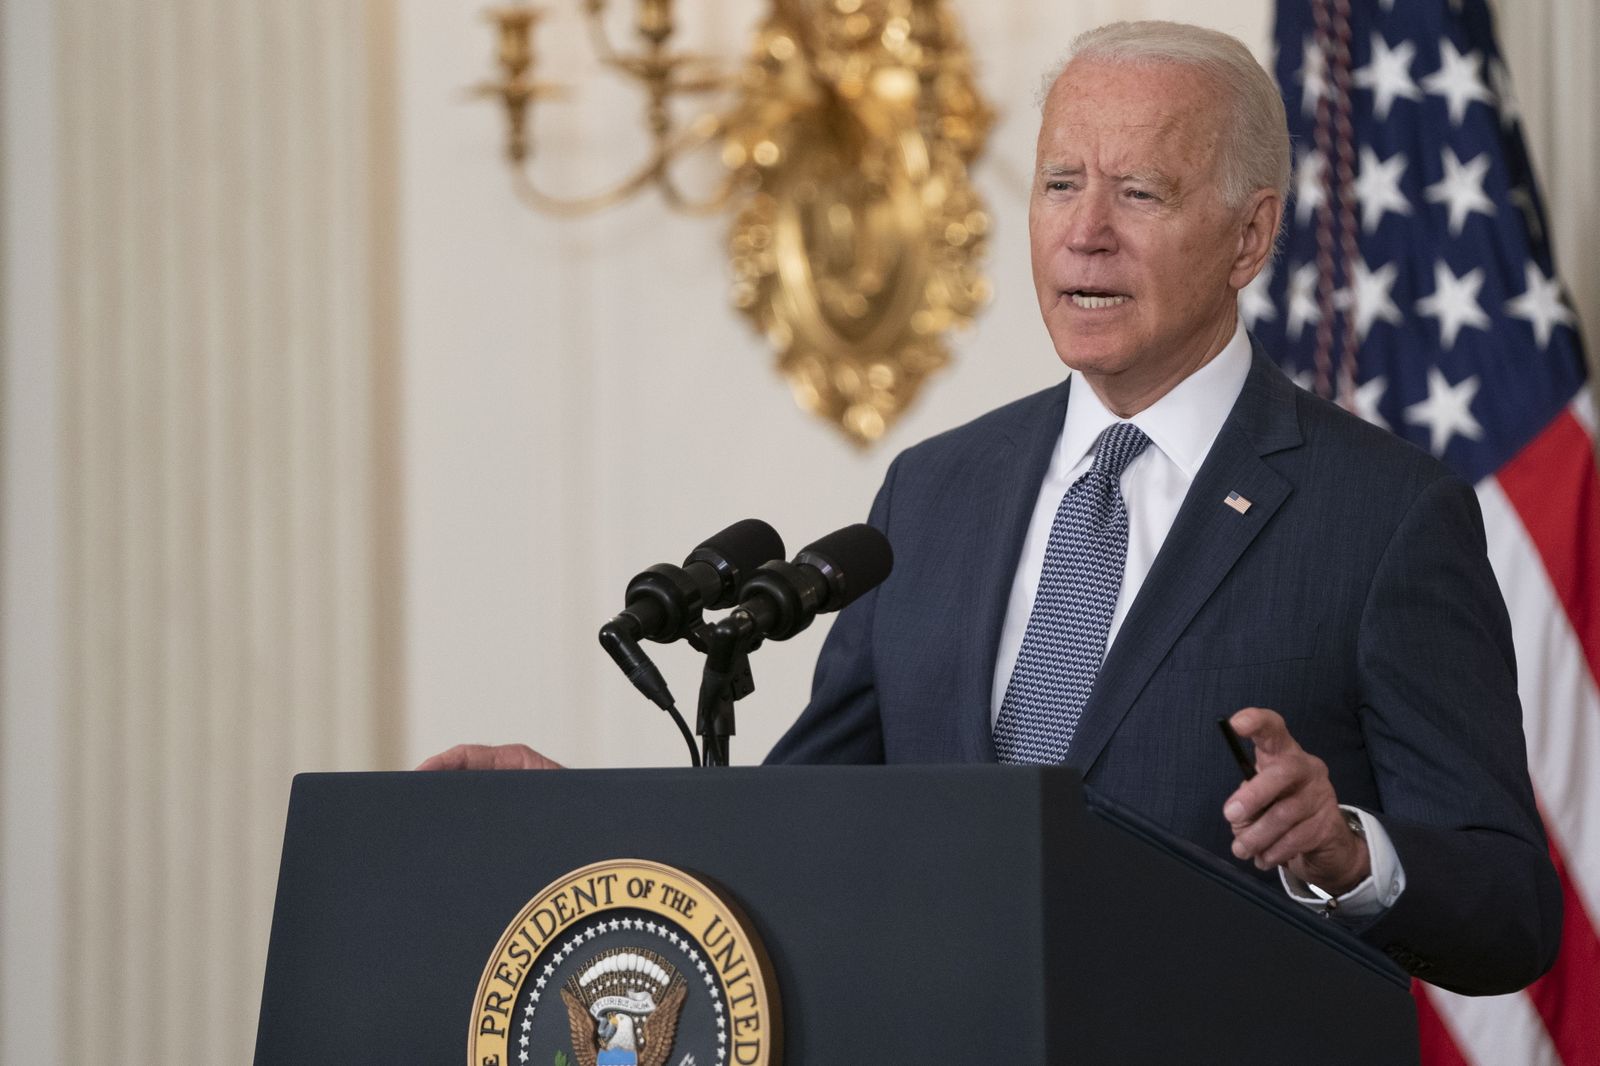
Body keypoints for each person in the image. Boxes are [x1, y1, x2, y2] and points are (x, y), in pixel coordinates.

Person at [421, 21, 1561, 997]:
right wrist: (584, 831)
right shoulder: (934, 491)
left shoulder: (1384, 515)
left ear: (1251, 235)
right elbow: (798, 829)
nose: (1085, 230)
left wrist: (1350, 853)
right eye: (1060, 183)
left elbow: (1511, 908)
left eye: (1140, 191)